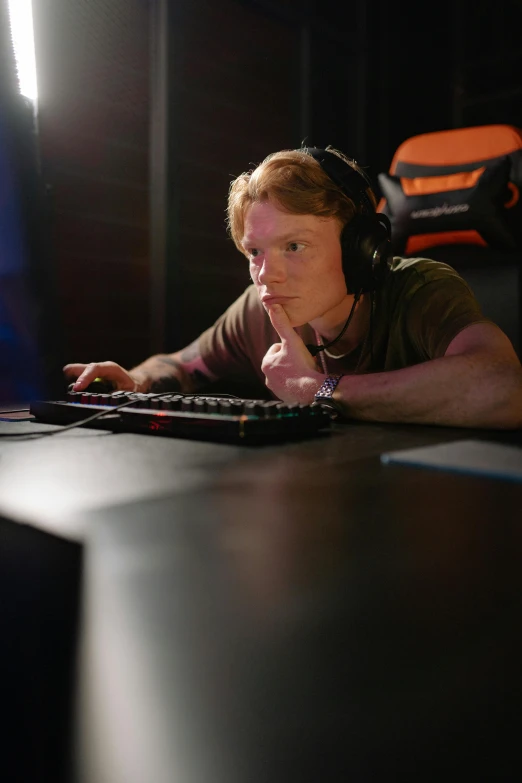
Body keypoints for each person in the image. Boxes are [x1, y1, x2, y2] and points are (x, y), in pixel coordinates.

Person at [64, 146, 522, 429]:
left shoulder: (420, 288)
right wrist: (137, 381)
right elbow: (181, 364)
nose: (267, 274)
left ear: (361, 248)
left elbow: (504, 386)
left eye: (295, 245)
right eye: (255, 253)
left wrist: (318, 389)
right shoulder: (259, 309)